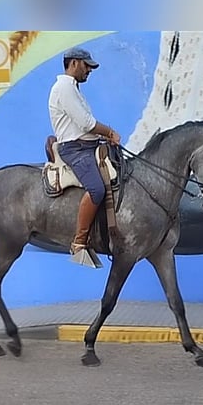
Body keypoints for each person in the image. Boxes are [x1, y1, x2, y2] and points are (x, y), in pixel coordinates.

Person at [48, 47, 121, 266]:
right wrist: (109, 133)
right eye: (86, 65)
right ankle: (79, 243)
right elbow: (86, 123)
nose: (89, 70)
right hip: (75, 150)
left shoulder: (73, 88)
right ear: (73, 63)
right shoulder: (64, 88)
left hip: (88, 146)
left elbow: (85, 125)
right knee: (97, 189)